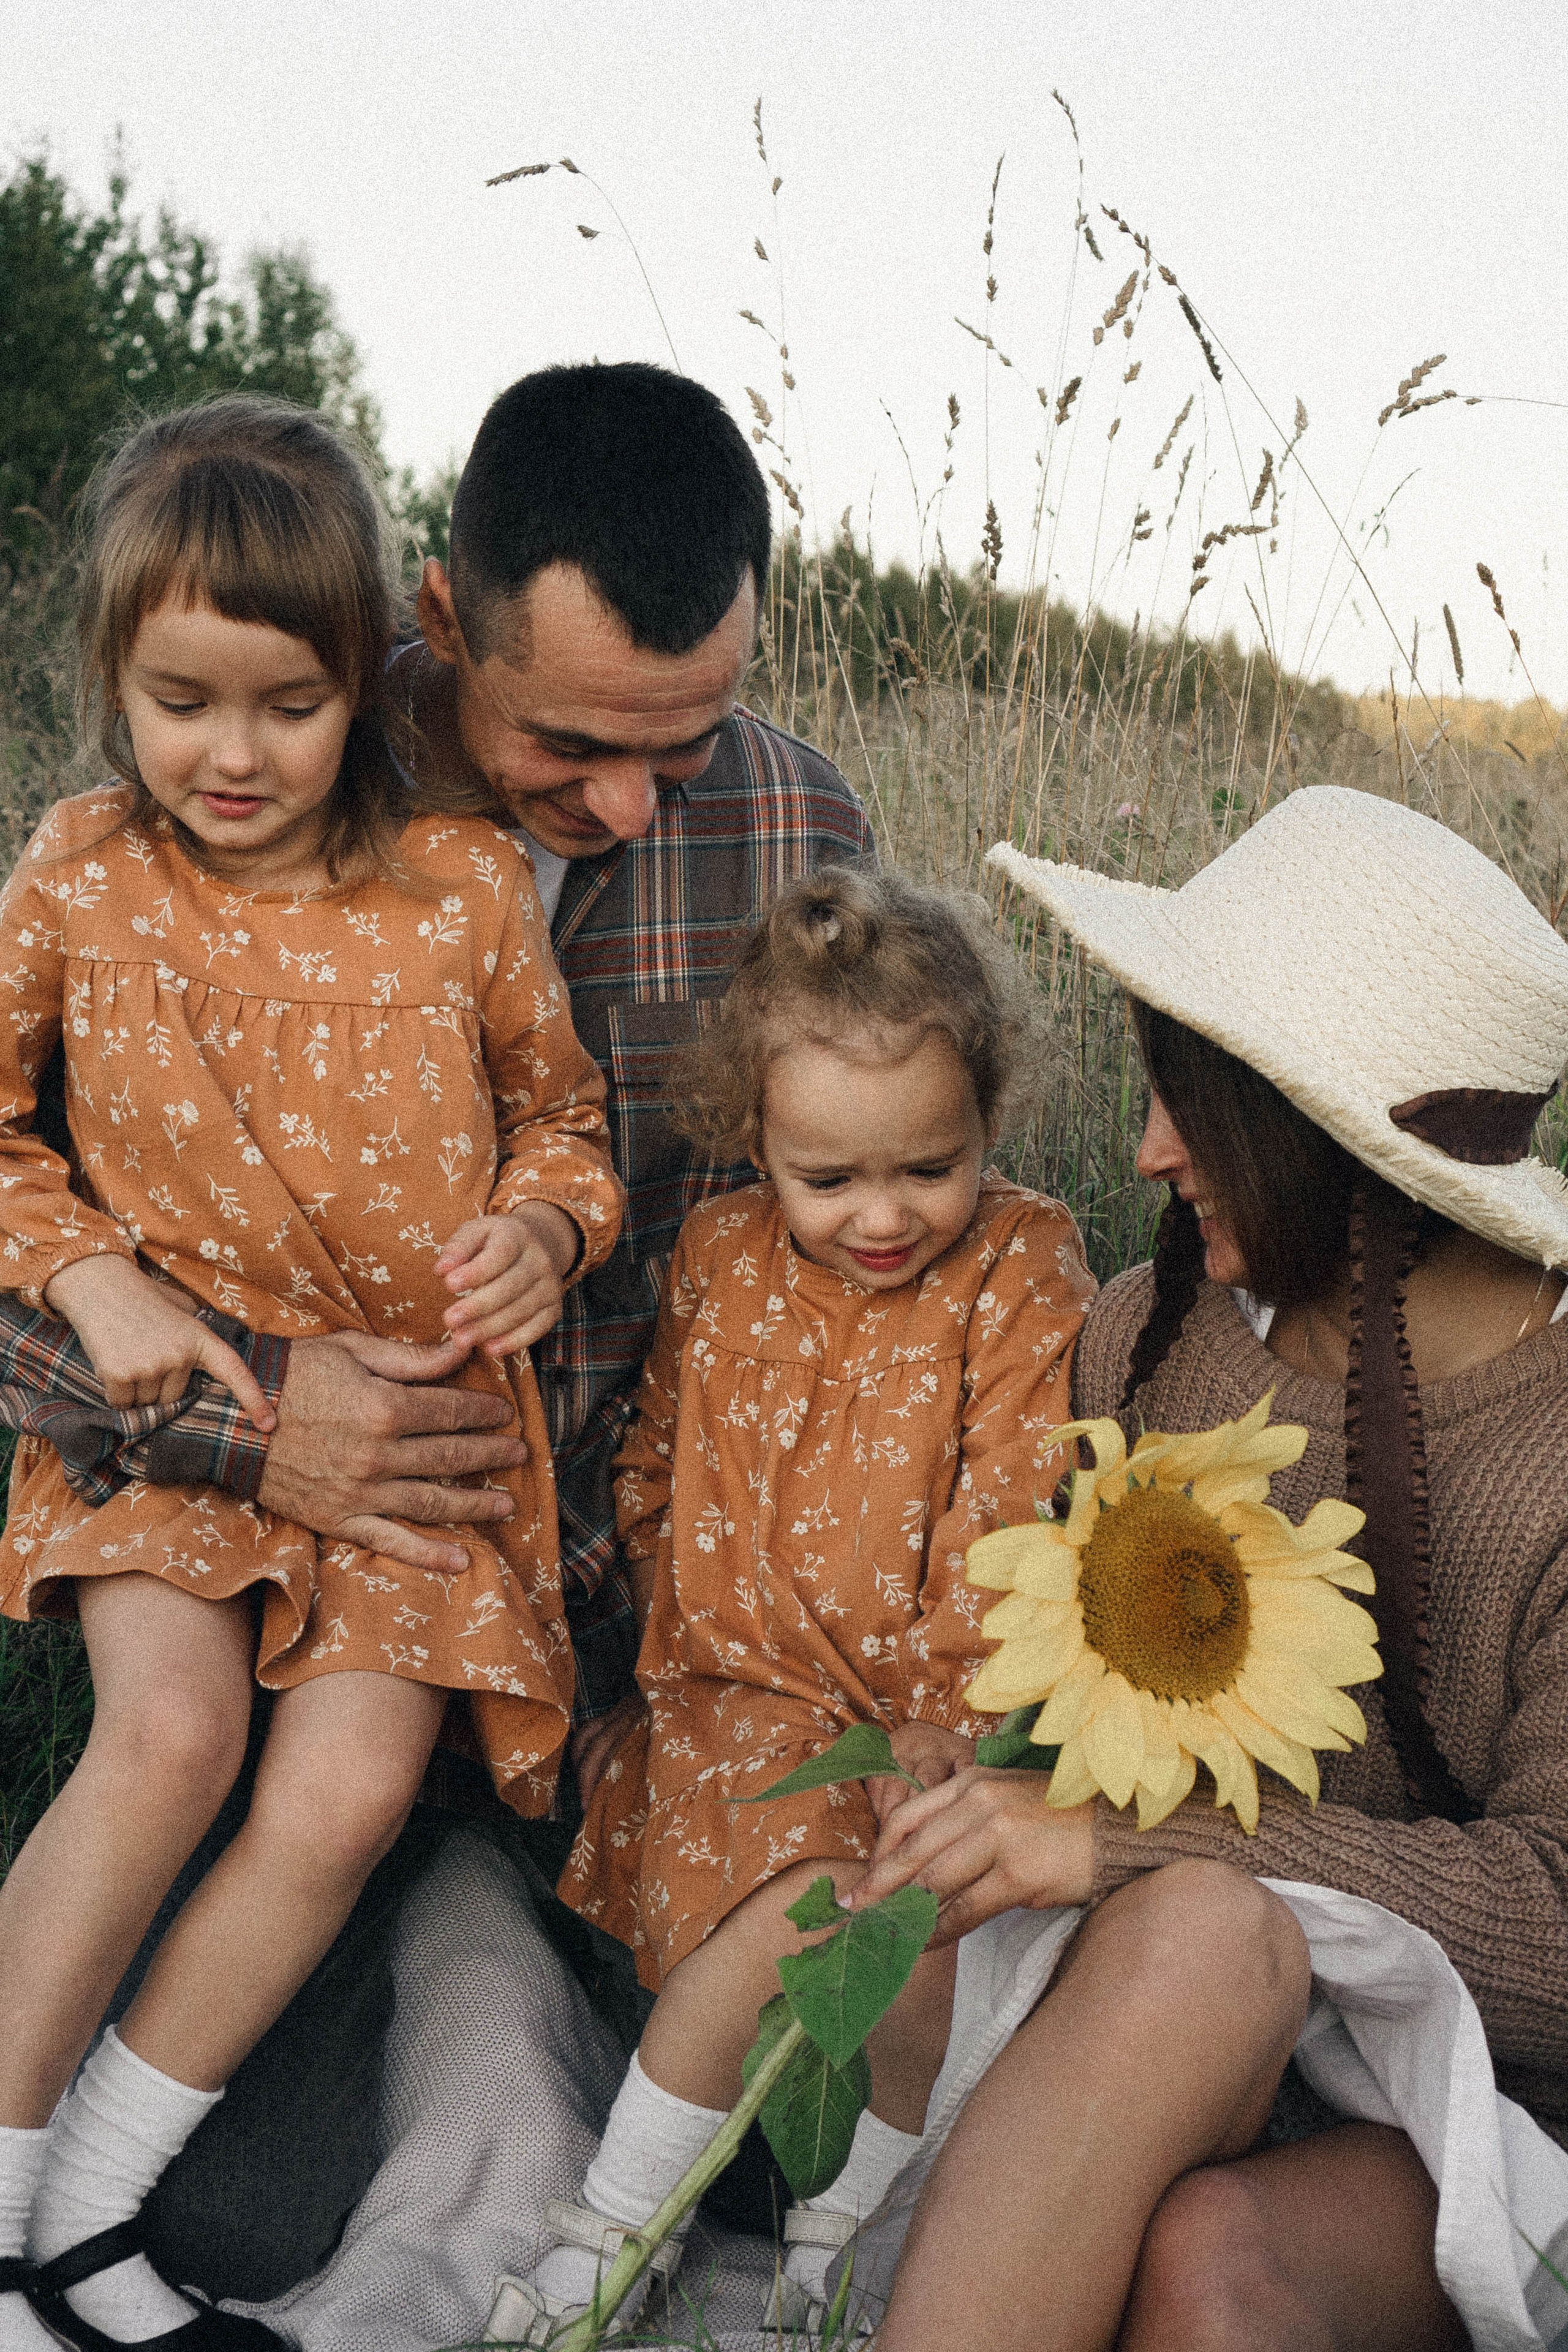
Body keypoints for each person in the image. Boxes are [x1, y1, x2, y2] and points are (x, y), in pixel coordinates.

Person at [0, 361, 870, 2306]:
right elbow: (29, 1223)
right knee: (263, 2217)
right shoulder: (225, 762)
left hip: (600, 1653)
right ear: (439, 623)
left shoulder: (798, 829)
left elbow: (845, 1257)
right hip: (246, 1604)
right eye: (571, 741)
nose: (636, 800)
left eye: (690, 737)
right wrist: (251, 1432)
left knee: (759, 2169)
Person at [0, 395, 623, 2352]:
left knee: (348, 1793)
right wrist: (85, 1271)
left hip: (428, 1444)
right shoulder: (82, 877)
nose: (235, 754)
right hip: (182, 1428)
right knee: (172, 1738)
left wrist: (545, 1229)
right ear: (111, 676)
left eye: (289, 702)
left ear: (372, 678)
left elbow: (570, 1123)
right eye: (182, 699)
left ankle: (91, 2215)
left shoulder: (457, 892)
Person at [843, 785, 1568, 2351]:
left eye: (1195, 1107)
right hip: (1168, 2021)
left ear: (1329, 1138)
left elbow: (1560, 1933)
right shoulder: (1145, 1331)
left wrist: (1122, 1842)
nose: (1145, 1150)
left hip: (1493, 2104)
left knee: (1209, 2253)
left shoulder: (1553, 1454)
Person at [488, 867, 1096, 2343]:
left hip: (917, 1712)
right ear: (751, 1141)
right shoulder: (717, 1255)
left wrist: (953, 1716)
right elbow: (653, 1443)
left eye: (927, 1167)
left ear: (986, 1123)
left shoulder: (1019, 1261)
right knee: (784, 1913)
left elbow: (1014, 1498)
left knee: (908, 1936)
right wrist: (661, 1595)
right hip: (730, 1694)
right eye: (827, 1180)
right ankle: (613, 2233)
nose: (882, 1215)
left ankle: (843, 2241)